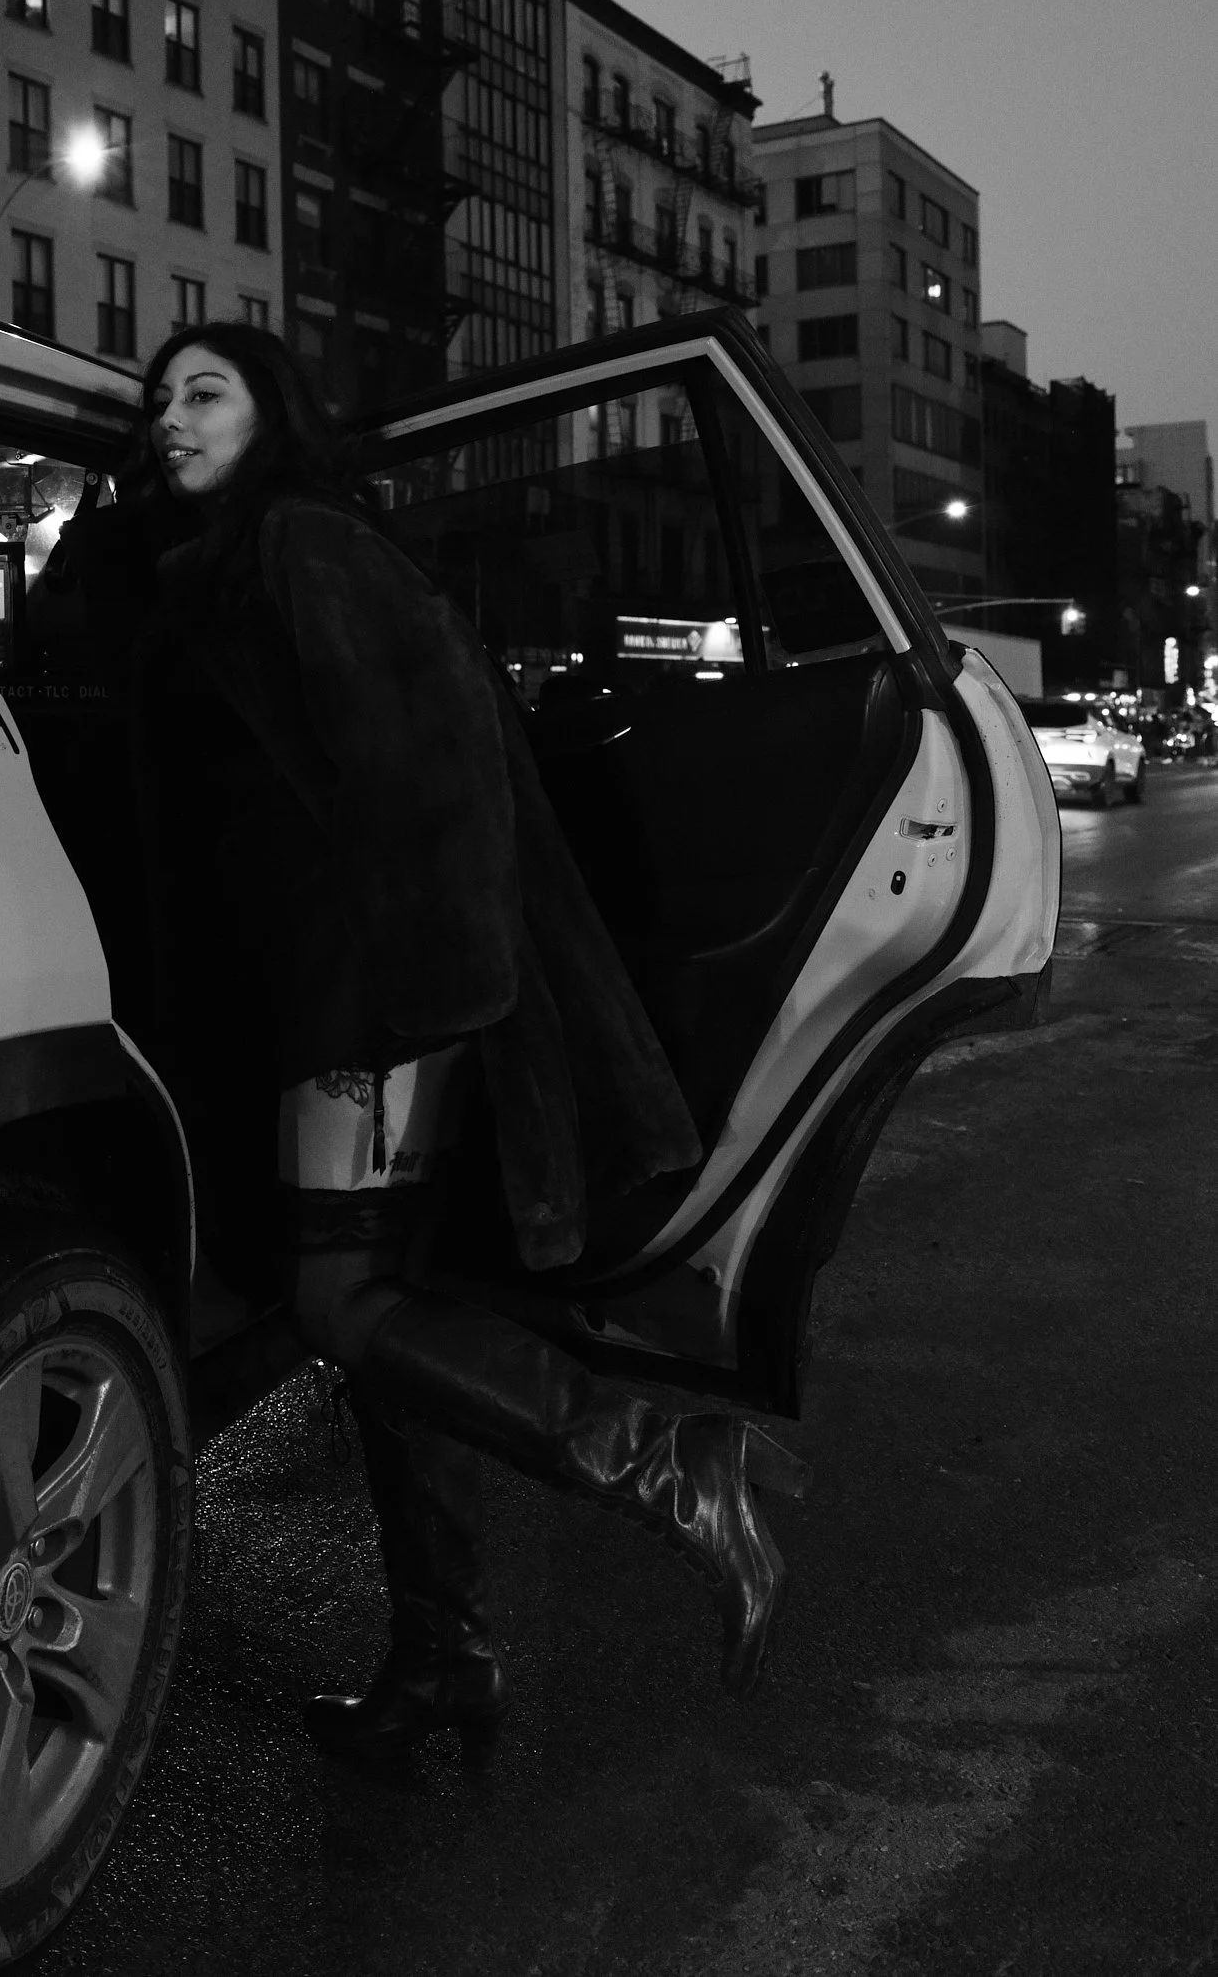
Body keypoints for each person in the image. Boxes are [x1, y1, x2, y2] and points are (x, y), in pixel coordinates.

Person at [69, 322, 809, 1759]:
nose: (171, 416)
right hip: (329, 1000)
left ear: (275, 410)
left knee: (343, 1304)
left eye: (204, 392)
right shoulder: (223, 565)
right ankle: (442, 1664)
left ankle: (670, 1465)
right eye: (158, 399)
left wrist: (404, 1009)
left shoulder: (303, 544)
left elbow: (436, 773)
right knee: (383, 1327)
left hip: (372, 1002)